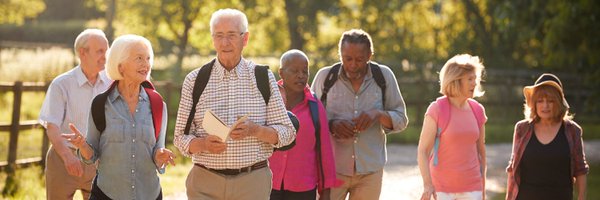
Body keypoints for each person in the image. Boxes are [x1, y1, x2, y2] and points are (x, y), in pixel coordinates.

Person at [173, 8, 296, 200]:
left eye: (231, 35)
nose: (225, 42)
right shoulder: (195, 80)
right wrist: (204, 144)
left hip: (252, 183)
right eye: (219, 36)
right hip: (205, 182)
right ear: (213, 39)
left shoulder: (263, 77)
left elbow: (288, 133)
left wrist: (256, 130)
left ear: (245, 39)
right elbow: (180, 138)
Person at [63, 34, 176, 199]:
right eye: (139, 58)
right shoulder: (100, 104)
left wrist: (160, 155)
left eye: (148, 58)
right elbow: (91, 155)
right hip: (107, 194)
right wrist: (82, 145)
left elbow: (157, 151)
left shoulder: (158, 105)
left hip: (149, 194)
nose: (146, 64)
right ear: (120, 66)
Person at [311, 29, 409, 200]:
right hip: (332, 169)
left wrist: (378, 115)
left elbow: (401, 119)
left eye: (359, 59)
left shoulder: (384, 76)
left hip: (370, 171)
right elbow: (309, 118)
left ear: (370, 55)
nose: (353, 64)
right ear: (340, 54)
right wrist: (331, 124)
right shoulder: (325, 77)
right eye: (347, 58)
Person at [38, 29, 111, 199]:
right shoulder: (61, 84)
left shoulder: (111, 83)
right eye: (100, 51)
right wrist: (67, 157)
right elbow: (52, 125)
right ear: (83, 53)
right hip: (63, 160)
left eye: (106, 51)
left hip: (98, 160)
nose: (105, 56)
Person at [269, 49, 341, 200]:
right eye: (294, 71)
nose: (301, 75)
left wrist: (325, 191)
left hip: (303, 188)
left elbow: (324, 151)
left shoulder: (315, 106)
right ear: (281, 73)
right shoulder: (267, 101)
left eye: (304, 71)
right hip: (268, 184)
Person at [506, 73, 588, 200]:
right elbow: (513, 168)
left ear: (559, 103)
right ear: (534, 104)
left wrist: (582, 197)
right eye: (540, 101)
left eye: (550, 101)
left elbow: (580, 169)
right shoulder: (522, 128)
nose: (545, 106)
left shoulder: (572, 130)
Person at [417, 54, 488, 200]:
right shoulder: (437, 109)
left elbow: (481, 153)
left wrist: (483, 189)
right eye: (470, 79)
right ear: (455, 80)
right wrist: (427, 184)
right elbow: (423, 151)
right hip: (442, 188)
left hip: (472, 187)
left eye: (475, 79)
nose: (475, 83)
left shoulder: (477, 110)